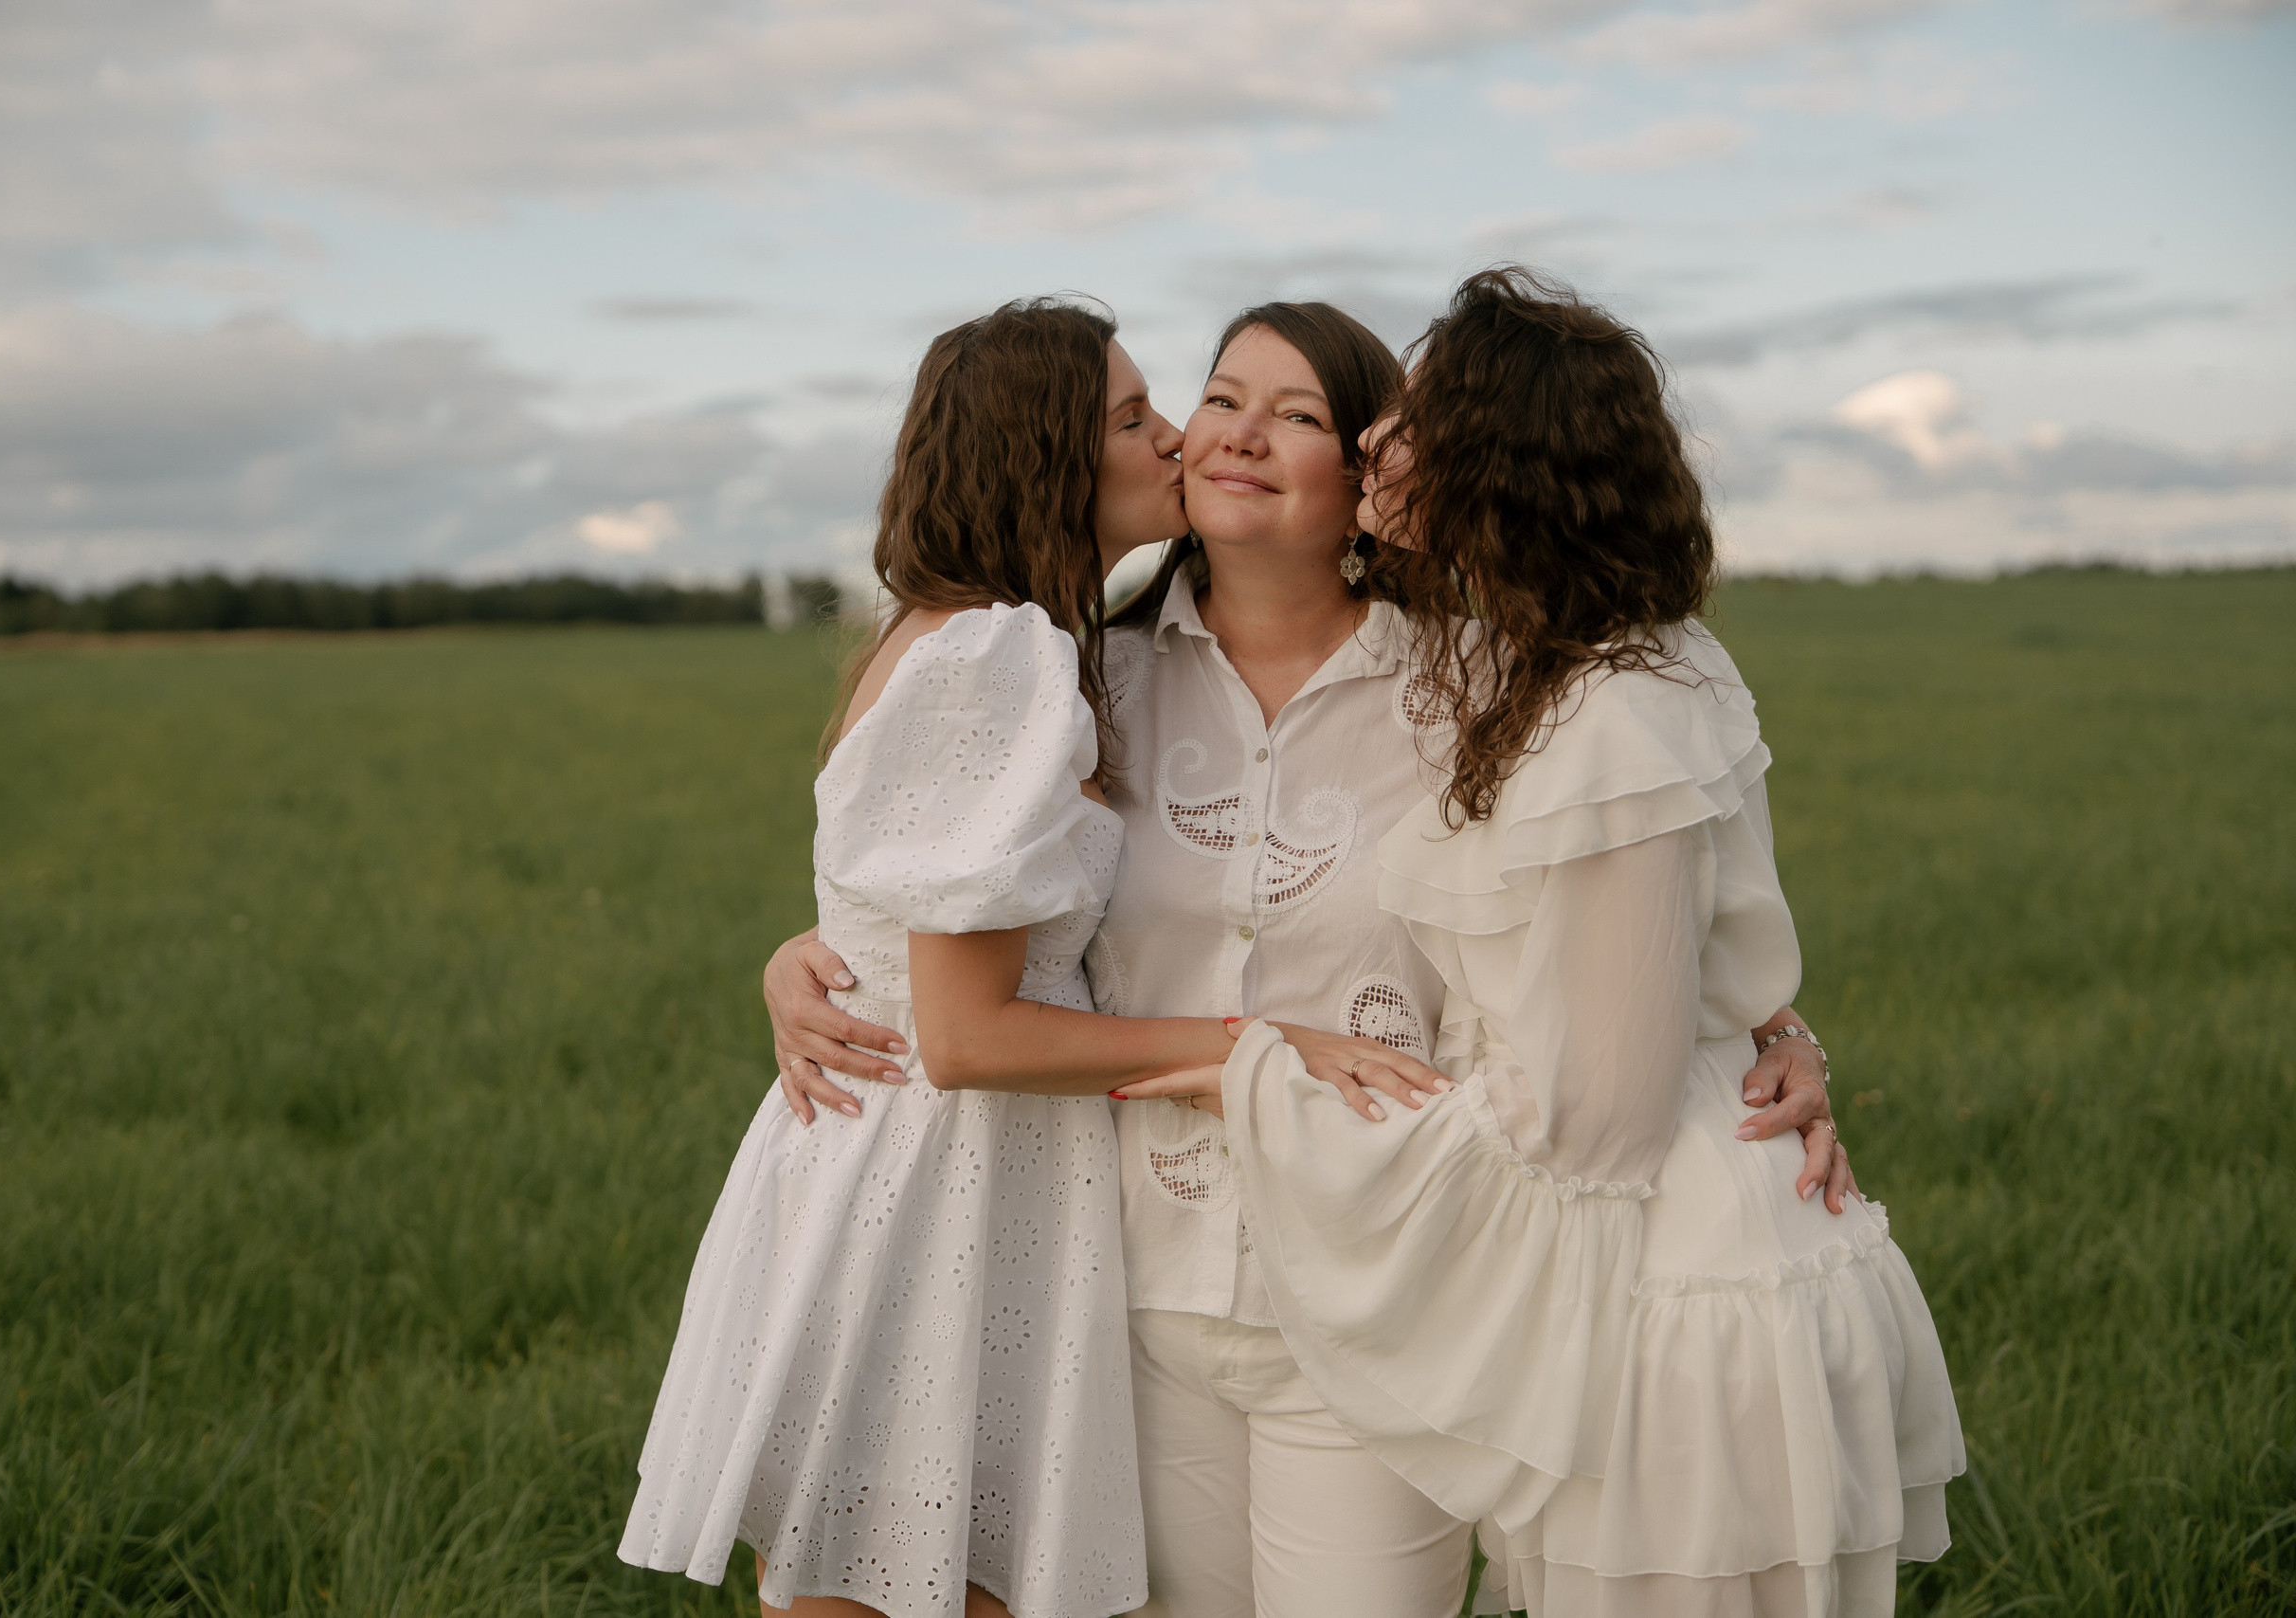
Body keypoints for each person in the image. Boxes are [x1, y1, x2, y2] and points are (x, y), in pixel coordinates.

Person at [765, 300, 1848, 1618]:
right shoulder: (1075, 679)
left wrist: (1775, 1037)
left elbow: (1634, 903)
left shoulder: (1488, 688)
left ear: (1372, 471)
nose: (1237, 435)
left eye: (1300, 415)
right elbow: (967, 914)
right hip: (1128, 1295)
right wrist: (809, 960)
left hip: (1386, 1296)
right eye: (1220, 397)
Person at [621, 296, 1439, 1618]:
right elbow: (962, 1021)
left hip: (1001, 1184)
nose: (1183, 435)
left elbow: (931, 904)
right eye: (1147, 413)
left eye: (1289, 412)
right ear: (1046, 462)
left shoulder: (1001, 645)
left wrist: (1766, 1030)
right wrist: (1259, 1047)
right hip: (950, 1185)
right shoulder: (1025, 658)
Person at [1201, 267, 1968, 1615]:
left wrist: (1263, 1085)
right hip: (1652, 1254)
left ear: (1500, 463)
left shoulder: (1616, 710)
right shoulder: (1552, 669)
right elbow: (1692, 958)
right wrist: (1776, 1030)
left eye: (1416, 421)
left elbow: (1595, 1114)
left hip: (1679, 1289)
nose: (1381, 436)